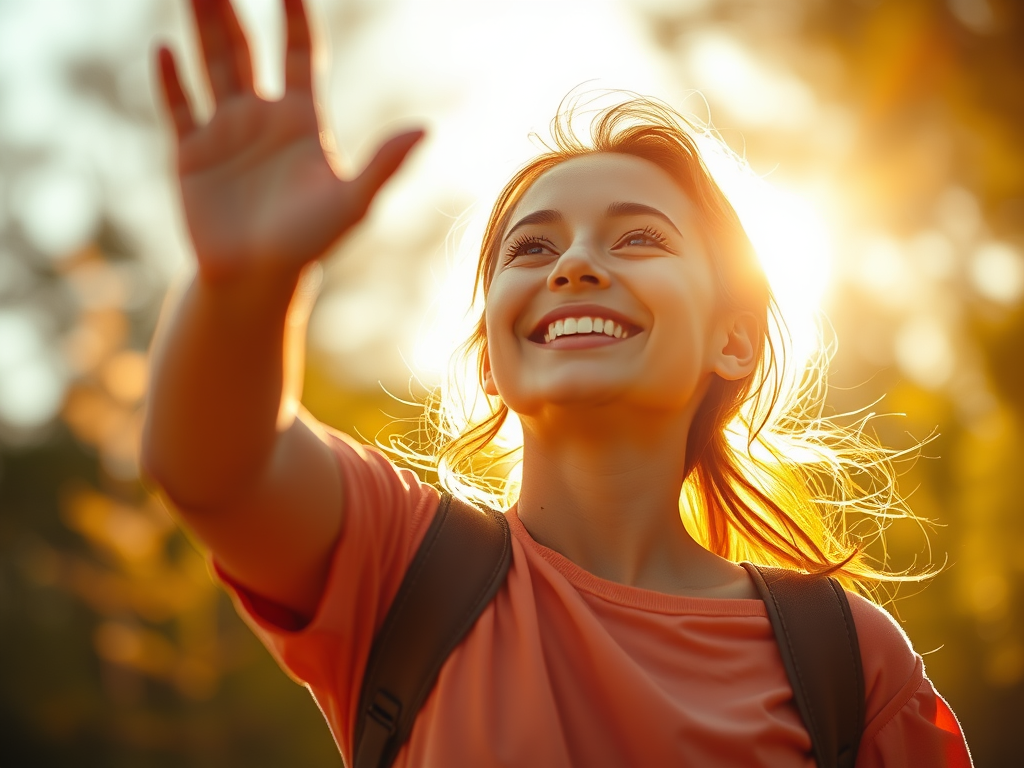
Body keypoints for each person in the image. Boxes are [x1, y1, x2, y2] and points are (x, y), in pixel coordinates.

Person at [141, 0, 974, 765]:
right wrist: (242, 289)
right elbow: (217, 465)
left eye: (638, 238)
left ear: (733, 339)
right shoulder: (401, 563)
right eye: (532, 249)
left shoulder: (848, 661)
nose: (574, 264)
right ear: (490, 361)